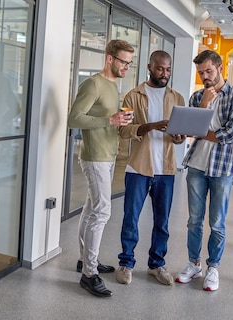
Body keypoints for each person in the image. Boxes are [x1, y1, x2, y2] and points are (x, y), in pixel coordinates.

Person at [174, 50, 233, 291]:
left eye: (209, 71)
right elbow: (187, 129)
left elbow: (230, 135)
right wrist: (204, 105)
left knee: (217, 222)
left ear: (220, 67)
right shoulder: (197, 96)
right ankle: (194, 264)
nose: (205, 76)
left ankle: (213, 267)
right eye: (201, 73)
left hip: (223, 169)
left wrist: (197, 129)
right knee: (194, 220)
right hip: (196, 165)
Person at [67, 39, 135, 297]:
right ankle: (89, 273)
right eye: (123, 62)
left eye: (129, 63)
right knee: (102, 212)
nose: (126, 67)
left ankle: (85, 261)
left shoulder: (113, 85)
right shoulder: (93, 83)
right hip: (94, 157)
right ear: (109, 59)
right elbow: (74, 118)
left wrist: (116, 127)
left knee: (89, 209)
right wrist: (110, 118)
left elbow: (105, 120)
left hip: (107, 155)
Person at [115, 50, 186, 286]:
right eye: (159, 69)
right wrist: (152, 126)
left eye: (168, 69)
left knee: (162, 221)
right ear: (149, 67)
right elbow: (124, 131)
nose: (164, 73)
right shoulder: (132, 95)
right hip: (138, 167)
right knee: (130, 219)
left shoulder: (177, 98)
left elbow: (180, 138)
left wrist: (178, 137)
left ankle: (157, 264)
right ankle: (126, 263)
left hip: (166, 169)